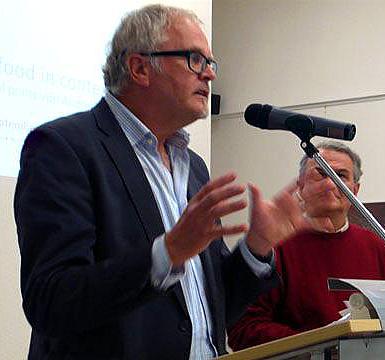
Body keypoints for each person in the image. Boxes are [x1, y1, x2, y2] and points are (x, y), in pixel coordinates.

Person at [14, 5, 309, 360]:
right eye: (194, 60)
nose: (210, 76)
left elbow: (208, 311)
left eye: (211, 63)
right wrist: (167, 252)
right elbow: (52, 300)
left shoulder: (192, 165)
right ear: (140, 68)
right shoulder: (64, 148)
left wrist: (256, 247)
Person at [227, 141, 385, 350]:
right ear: (301, 185)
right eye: (321, 174)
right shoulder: (275, 246)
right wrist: (319, 344)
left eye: (341, 176)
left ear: (355, 190)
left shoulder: (375, 246)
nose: (331, 184)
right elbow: (243, 330)